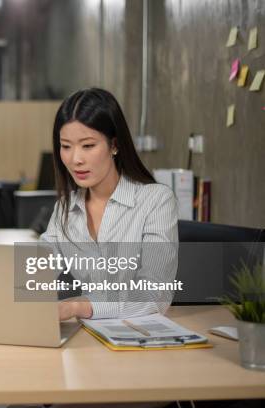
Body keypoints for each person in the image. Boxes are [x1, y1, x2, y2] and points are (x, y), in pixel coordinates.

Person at [40, 88, 178, 321]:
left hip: (140, 340)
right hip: (87, 340)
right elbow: (37, 267)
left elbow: (156, 294)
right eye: (66, 146)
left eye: (88, 145)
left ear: (114, 145)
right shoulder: (65, 208)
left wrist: (77, 306)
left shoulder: (156, 200)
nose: (76, 159)